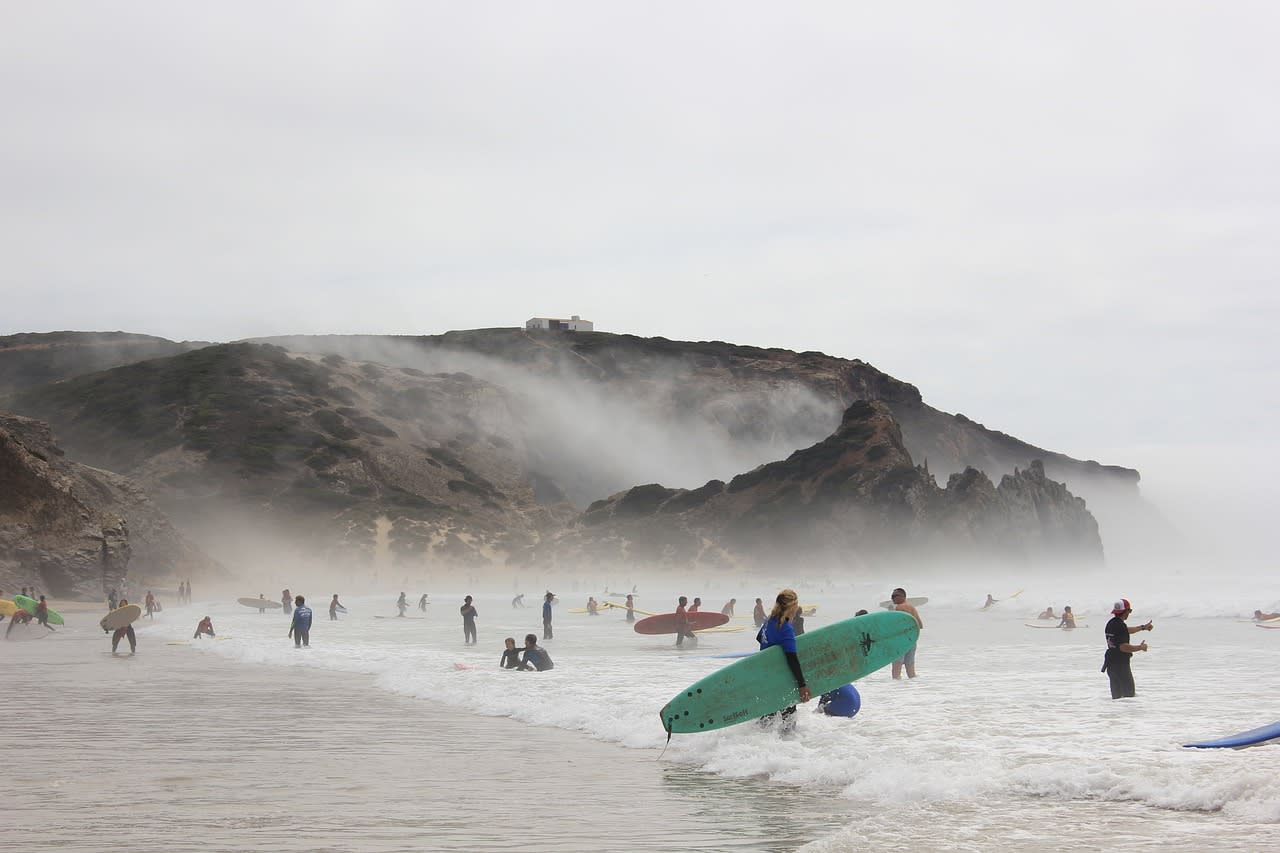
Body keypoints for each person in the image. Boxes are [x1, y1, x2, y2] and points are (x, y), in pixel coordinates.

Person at [756, 588, 812, 732]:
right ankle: (787, 747)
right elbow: (792, 658)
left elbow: (759, 638)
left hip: (764, 677)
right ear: (793, 607)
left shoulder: (768, 621)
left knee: (766, 720)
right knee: (788, 723)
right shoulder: (785, 628)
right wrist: (802, 685)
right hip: (781, 680)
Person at [1102, 598, 1152, 699]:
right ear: (1126, 611)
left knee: (1117, 698)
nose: (1129, 613)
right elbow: (1123, 647)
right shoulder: (1120, 626)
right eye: (1130, 611)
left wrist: (1143, 627)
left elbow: (1125, 630)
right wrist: (1140, 647)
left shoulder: (1111, 623)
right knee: (1129, 697)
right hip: (1121, 666)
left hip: (1111, 665)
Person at [890, 588, 924, 679]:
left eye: (895, 596)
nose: (892, 598)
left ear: (903, 596)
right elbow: (920, 625)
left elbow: (897, 626)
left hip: (901, 640)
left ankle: (896, 691)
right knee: (911, 674)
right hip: (912, 640)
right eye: (892, 596)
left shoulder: (898, 607)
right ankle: (914, 690)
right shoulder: (912, 608)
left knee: (896, 673)